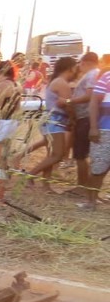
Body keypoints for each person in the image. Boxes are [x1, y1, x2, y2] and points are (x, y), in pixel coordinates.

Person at [26, 57, 76, 191]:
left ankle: (45, 185)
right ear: (70, 68)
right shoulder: (62, 83)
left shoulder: (55, 81)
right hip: (55, 121)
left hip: (50, 120)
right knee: (57, 155)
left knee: (52, 155)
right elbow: (68, 105)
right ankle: (30, 175)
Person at [66, 52, 100, 195]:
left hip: (85, 118)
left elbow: (89, 96)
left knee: (80, 153)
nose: (79, 67)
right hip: (84, 118)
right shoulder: (94, 74)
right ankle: (84, 186)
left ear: (85, 62)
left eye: (80, 63)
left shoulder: (92, 74)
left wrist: (69, 101)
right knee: (82, 153)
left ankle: (82, 186)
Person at [81, 67, 110, 209]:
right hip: (105, 130)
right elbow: (93, 102)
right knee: (98, 167)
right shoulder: (107, 76)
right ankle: (90, 201)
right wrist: (93, 127)